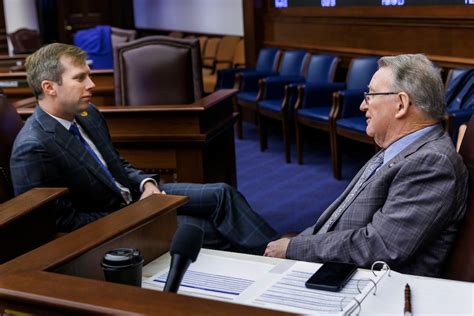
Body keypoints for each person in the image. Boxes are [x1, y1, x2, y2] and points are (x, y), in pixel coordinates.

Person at [10, 43, 278, 255]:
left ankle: (284, 253)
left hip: (136, 198)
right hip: (114, 224)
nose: (91, 85)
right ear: (49, 87)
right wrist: (135, 213)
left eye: (89, 75)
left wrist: (147, 184)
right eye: (80, 78)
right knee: (209, 230)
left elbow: (116, 165)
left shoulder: (87, 114)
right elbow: (60, 225)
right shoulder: (34, 147)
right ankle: (282, 262)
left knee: (222, 193)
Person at [264, 54, 468, 277]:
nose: (362, 105)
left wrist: (295, 248)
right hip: (325, 256)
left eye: (370, 95)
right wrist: (301, 242)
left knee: (222, 211)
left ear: (401, 104)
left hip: (355, 283)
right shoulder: (401, 147)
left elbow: (381, 246)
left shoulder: (432, 163)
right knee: (222, 201)